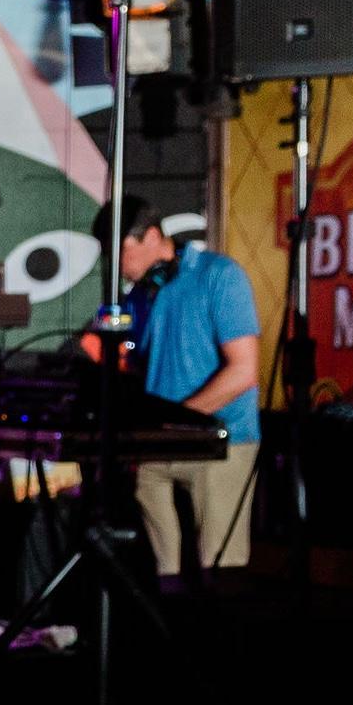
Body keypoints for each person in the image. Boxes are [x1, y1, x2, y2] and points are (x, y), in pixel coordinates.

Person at [99, 196, 261, 581]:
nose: (118, 265)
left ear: (153, 237)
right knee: (160, 570)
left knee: (219, 567)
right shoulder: (137, 297)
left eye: (122, 251)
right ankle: (168, 614)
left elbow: (243, 371)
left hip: (221, 440)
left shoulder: (220, 276)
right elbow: (138, 368)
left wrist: (178, 419)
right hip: (159, 445)